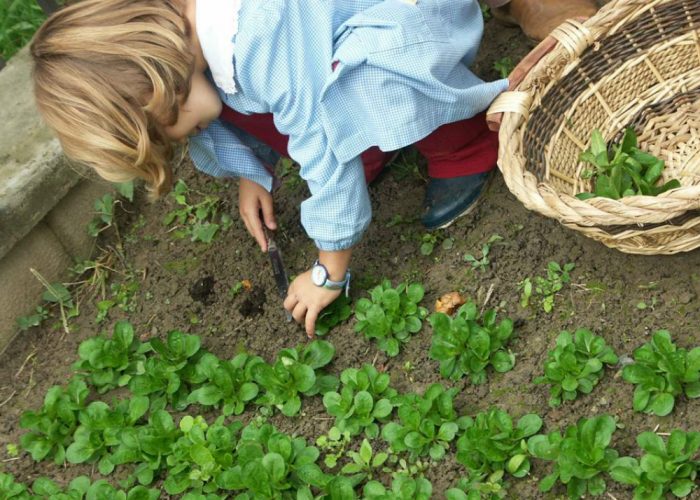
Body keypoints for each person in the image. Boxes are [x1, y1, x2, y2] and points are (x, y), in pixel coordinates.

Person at [30, 0, 594, 338]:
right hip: (337, 35)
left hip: (415, 20)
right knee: (257, 105)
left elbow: (320, 139)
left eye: (166, 133)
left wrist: (328, 270)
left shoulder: (256, 37)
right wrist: (255, 173)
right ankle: (379, 141)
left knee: (350, 99)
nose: (178, 142)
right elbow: (227, 114)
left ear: (159, 84)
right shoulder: (194, 38)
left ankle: (462, 147)